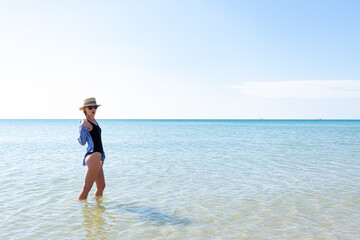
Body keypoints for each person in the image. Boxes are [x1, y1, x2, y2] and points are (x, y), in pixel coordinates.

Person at [77, 97, 106, 201]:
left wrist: (102, 156)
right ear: (85, 109)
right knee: (86, 188)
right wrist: (83, 127)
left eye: (95, 107)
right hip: (92, 157)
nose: (93, 109)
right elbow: (82, 142)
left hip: (97, 158)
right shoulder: (84, 122)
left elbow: (99, 141)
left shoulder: (94, 122)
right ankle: (80, 209)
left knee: (101, 186)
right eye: (90, 107)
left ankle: (97, 210)